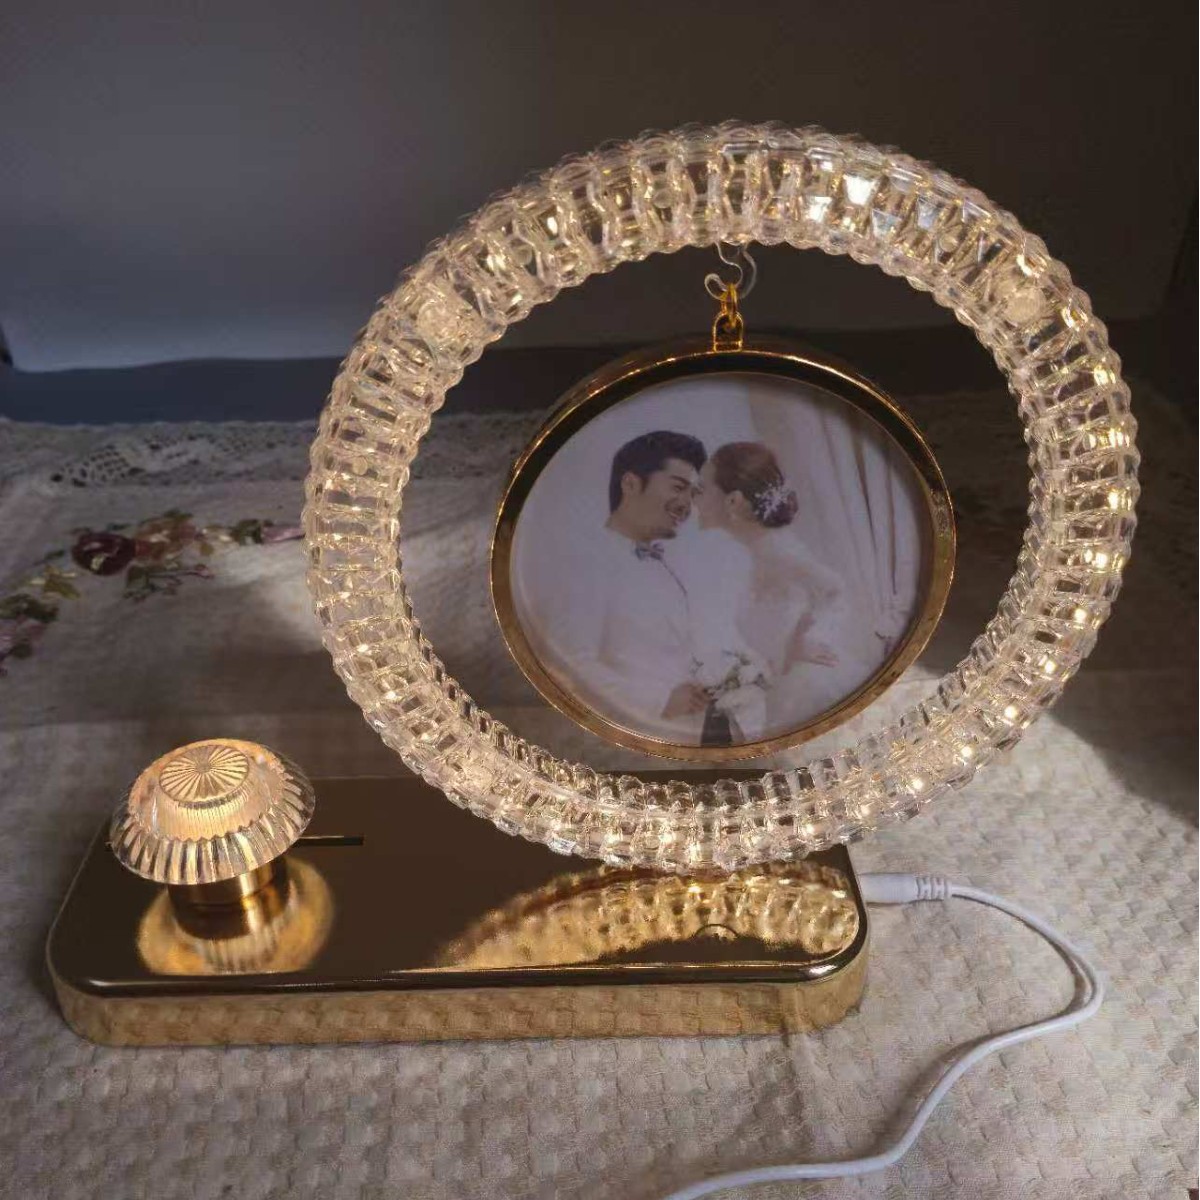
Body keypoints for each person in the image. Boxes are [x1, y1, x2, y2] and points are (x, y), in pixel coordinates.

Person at [530, 429, 711, 743]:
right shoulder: (587, 562)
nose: (686, 504)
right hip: (619, 742)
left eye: (692, 494)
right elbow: (569, 665)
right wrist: (661, 700)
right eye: (678, 487)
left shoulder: (663, 568)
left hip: (679, 741)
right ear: (630, 484)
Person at [694, 441, 846, 739]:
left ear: (733, 501)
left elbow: (835, 590)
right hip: (772, 686)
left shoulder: (777, 549)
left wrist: (803, 640)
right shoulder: (749, 550)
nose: (694, 499)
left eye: (701, 489)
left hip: (800, 690)